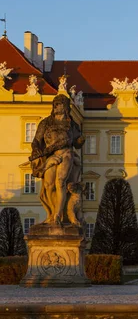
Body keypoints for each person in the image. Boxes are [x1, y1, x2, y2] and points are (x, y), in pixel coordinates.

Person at [30, 94, 85, 225]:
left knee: (60, 181)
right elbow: (36, 141)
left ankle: (58, 215)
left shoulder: (71, 124)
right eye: (55, 103)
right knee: (48, 186)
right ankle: (51, 213)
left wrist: (81, 140)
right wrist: (37, 151)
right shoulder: (46, 122)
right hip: (50, 156)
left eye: (59, 103)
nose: (56, 106)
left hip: (66, 154)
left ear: (65, 107)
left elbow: (77, 143)